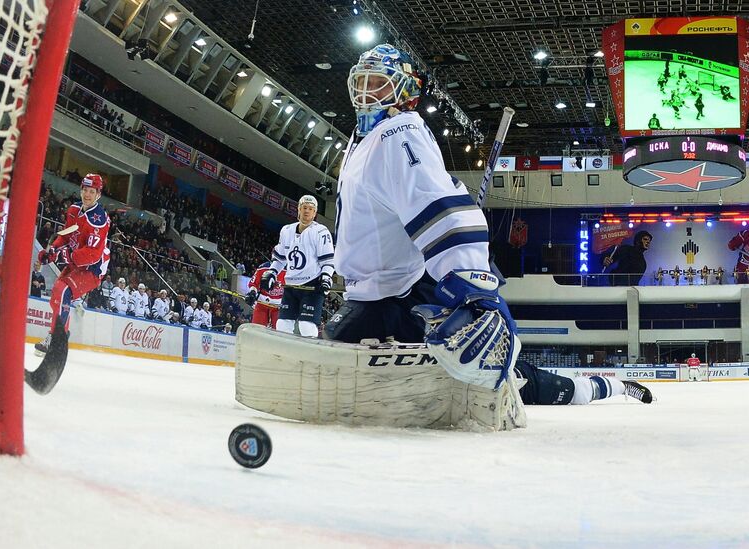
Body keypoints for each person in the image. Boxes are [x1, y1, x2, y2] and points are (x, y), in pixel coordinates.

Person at [322, 43, 654, 407]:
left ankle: (593, 388)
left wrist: (471, 286)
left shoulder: (398, 132)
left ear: (406, 91)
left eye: (379, 82)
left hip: (398, 295)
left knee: (498, 378)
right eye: (363, 81)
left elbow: (441, 211)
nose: (367, 91)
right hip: (375, 292)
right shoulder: (362, 138)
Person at [35, 173, 110, 356]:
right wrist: (52, 251)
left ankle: (56, 339)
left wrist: (64, 255)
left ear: (98, 194)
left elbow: (92, 254)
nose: (87, 194)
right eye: (85, 190)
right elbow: (66, 236)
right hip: (76, 262)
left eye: (92, 191)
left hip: (92, 268)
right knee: (56, 298)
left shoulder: (99, 220)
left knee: (62, 291)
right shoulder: (74, 210)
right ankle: (61, 337)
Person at [262, 195, 334, 338]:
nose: (307, 211)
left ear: (315, 213)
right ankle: (283, 356)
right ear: (299, 210)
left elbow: (327, 260)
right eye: (304, 208)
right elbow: (280, 258)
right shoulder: (286, 231)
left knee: (306, 325)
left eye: (311, 209)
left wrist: (326, 277)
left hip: (312, 285)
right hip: (291, 286)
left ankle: (311, 356)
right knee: (282, 324)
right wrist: (271, 273)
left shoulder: (321, 232)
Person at [245, 262, 285, 328]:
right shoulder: (263, 267)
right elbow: (254, 284)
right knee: (257, 329)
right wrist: (252, 293)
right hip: (262, 304)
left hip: (279, 306)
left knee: (279, 331)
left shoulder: (290, 269)